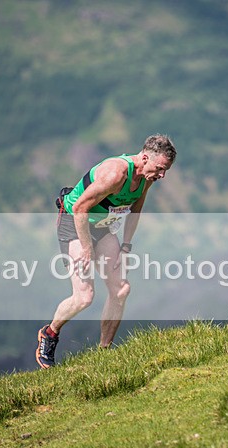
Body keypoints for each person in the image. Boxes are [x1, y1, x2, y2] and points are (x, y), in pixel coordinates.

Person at [35, 134, 177, 368]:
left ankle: (104, 353)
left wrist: (126, 246)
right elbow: (80, 207)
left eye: (166, 171)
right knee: (84, 297)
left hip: (101, 226)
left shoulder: (146, 177)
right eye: (161, 169)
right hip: (74, 222)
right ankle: (49, 334)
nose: (162, 175)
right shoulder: (116, 173)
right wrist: (87, 249)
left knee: (121, 290)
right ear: (144, 158)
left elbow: (135, 211)